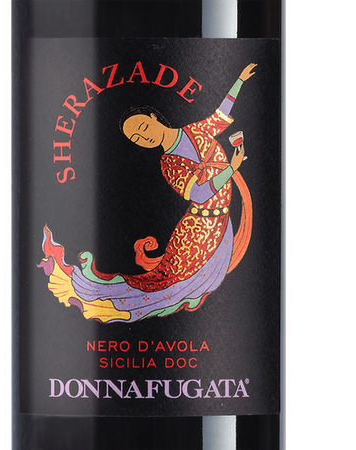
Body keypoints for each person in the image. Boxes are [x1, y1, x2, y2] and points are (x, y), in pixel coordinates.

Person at [38, 64, 256, 323]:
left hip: (219, 223)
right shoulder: (170, 164)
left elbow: (221, 114)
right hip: (199, 230)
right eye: (136, 138)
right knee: (172, 285)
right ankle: (108, 302)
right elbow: (199, 194)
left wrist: (240, 80)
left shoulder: (195, 131)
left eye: (142, 127)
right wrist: (231, 168)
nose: (143, 137)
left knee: (197, 286)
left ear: (153, 117)